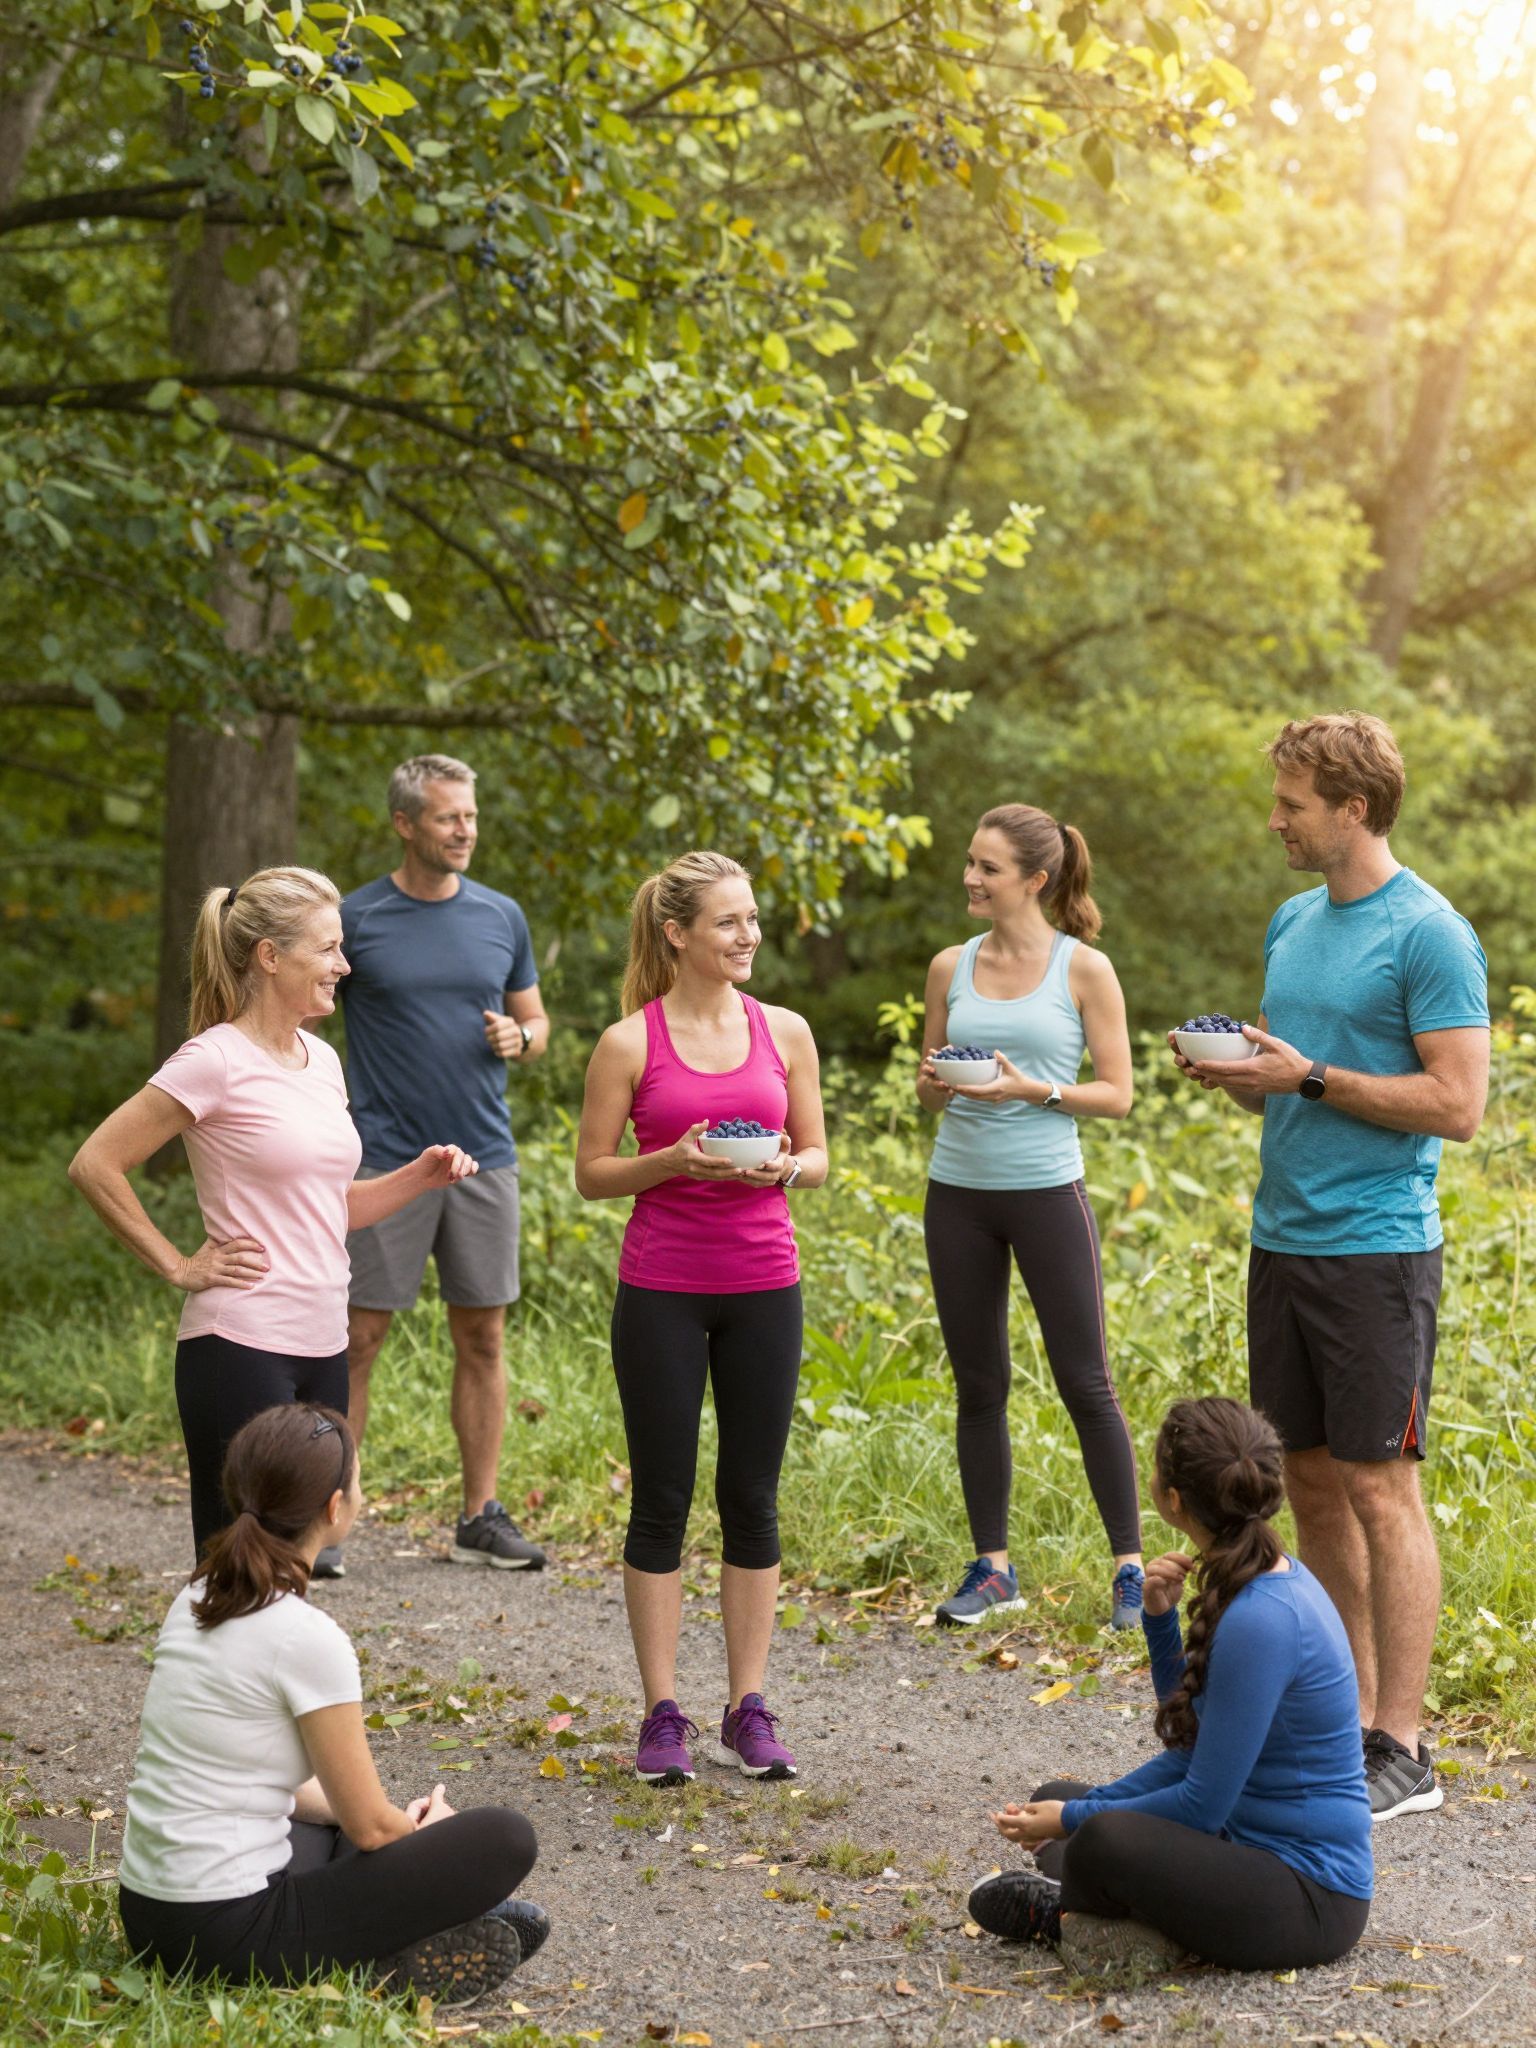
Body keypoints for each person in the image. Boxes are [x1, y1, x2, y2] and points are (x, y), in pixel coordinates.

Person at [1172, 713, 1489, 1823]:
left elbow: (1458, 1103)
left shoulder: (1431, 934)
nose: (1276, 820)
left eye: (1294, 804)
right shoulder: (1293, 921)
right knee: (1305, 1476)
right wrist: (1248, 1071)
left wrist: (1310, 1079)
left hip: (1378, 1249)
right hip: (1283, 1239)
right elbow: (1292, 1061)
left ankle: (1404, 1742)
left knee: (1378, 1485)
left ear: (1354, 807)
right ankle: (1345, 1714)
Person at [68, 867, 478, 1563]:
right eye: (327, 949)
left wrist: (417, 1178)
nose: (343, 965)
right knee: (237, 1561)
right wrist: (176, 1263)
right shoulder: (213, 1060)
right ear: (270, 956)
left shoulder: (321, 1060)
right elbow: (95, 1163)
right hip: (240, 1343)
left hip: (325, 1343)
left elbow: (325, 1209)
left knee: (301, 1558)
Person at [117, 1402, 548, 1999]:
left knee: (333, 1829)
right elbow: (373, 1832)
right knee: (504, 1838)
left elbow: (288, 1792)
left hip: (149, 1914)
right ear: (334, 1508)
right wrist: (425, 1837)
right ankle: (396, 1949)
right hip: (226, 1934)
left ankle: (420, 1934)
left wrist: (392, 1829)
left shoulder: (198, 1595)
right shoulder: (305, 1637)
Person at [574, 851, 828, 1786]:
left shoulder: (787, 1031)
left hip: (765, 1283)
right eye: (728, 922)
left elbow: (818, 1157)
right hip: (662, 1290)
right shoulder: (628, 1043)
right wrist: (673, 1160)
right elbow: (593, 1173)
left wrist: (784, 1169)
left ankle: (748, 1707)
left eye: (752, 919)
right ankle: (662, 1714)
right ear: (678, 933)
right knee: (663, 1500)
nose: (748, 935)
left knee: (753, 1497)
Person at [967, 1396, 1372, 1975]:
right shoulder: (1255, 1576)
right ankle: (1118, 1905)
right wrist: (1160, 1621)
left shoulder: (1263, 1618)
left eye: (1154, 1469)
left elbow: (1201, 1805)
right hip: (1242, 1842)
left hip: (1309, 1898)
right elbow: (1191, 1744)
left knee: (1100, 1840)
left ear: (1173, 1500)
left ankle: (1067, 1918)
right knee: (1060, 1799)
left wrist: (1076, 1819)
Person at [915, 805, 1141, 1630]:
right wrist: (936, 1083)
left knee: (1087, 1381)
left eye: (988, 867)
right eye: (970, 862)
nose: (971, 878)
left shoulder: (1084, 970)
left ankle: (1129, 1567)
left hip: (1048, 1192)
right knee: (980, 1384)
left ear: (1036, 880)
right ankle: (993, 1569)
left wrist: (1029, 1088)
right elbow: (927, 1081)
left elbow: (1117, 1095)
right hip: (958, 1194)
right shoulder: (950, 965)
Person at [339, 754, 551, 1578]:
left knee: (484, 1337)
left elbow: (539, 1025)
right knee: (358, 1337)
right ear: (404, 825)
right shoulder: (355, 919)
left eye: (470, 816)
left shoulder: (502, 916)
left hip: (483, 1159)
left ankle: (478, 1517)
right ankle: (330, 1515)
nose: (465, 830)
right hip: (386, 1159)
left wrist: (520, 1038)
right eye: (446, 817)